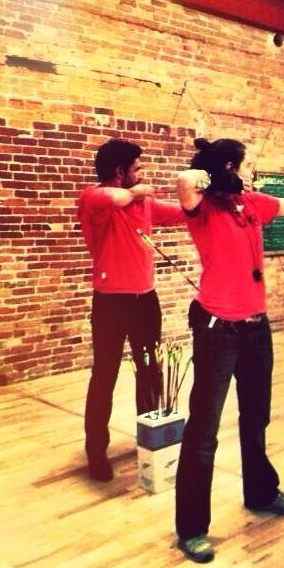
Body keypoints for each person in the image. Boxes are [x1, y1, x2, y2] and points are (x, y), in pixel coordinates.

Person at [174, 137, 284, 563]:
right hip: (218, 330)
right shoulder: (204, 208)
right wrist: (212, 173)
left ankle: (260, 492)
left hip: (256, 328)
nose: (252, 171)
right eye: (246, 165)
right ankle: (192, 528)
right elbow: (185, 183)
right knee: (204, 430)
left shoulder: (250, 203)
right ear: (231, 166)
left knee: (256, 415)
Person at [78, 138, 185, 482]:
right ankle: (96, 452)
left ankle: (150, 443)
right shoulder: (94, 197)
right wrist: (141, 190)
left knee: (150, 373)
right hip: (111, 302)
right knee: (104, 376)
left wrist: (204, 196)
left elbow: (184, 213)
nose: (142, 174)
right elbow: (116, 197)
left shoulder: (144, 203)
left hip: (145, 301)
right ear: (119, 171)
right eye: (137, 168)